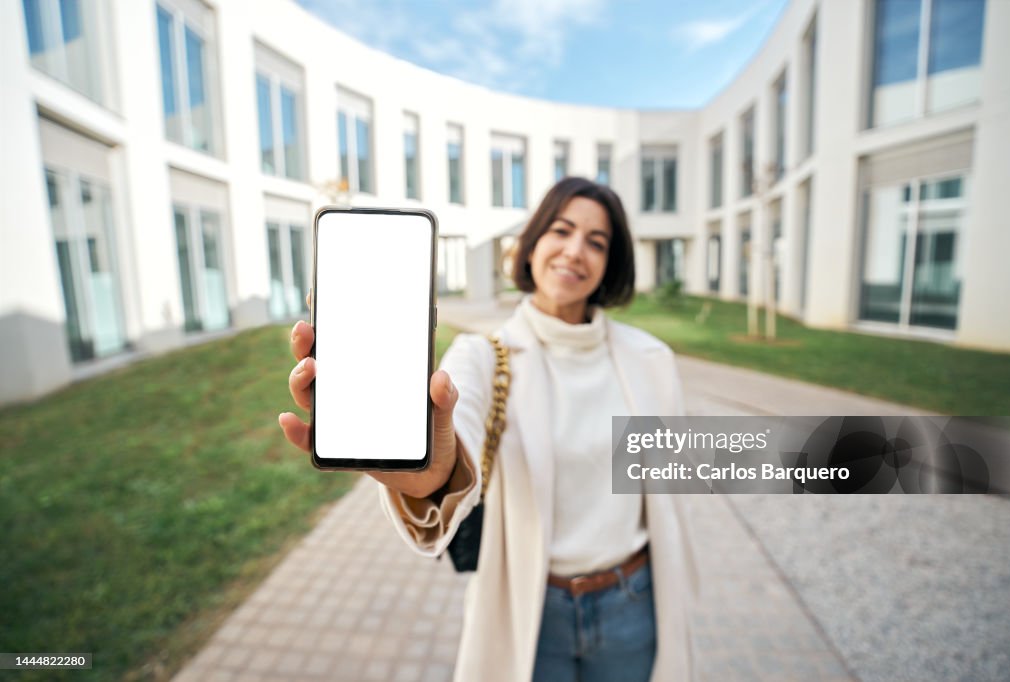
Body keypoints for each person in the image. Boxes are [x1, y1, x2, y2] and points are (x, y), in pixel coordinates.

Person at [280, 177, 699, 681]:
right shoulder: (483, 356)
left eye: (596, 241)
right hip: (530, 607)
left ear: (612, 261)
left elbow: (672, 490)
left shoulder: (650, 360)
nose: (574, 251)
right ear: (532, 243)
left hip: (635, 604)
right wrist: (428, 478)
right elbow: (452, 450)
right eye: (561, 230)